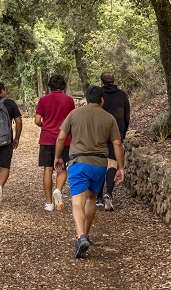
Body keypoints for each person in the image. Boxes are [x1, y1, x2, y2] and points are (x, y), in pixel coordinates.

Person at [54, 85, 124, 258]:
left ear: (86, 98)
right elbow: (117, 144)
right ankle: (86, 234)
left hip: (78, 162)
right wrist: (121, 167)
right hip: (99, 163)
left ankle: (81, 236)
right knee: (92, 198)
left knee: (77, 200)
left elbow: (61, 137)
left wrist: (58, 157)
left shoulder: (74, 114)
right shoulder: (109, 118)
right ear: (102, 100)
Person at [35, 74, 75, 211]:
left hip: (47, 138)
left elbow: (37, 120)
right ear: (63, 85)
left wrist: (45, 125)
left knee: (48, 169)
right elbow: (72, 121)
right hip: (64, 139)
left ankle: (48, 203)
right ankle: (58, 190)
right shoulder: (69, 101)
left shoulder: (43, 100)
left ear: (50, 85)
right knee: (62, 168)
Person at [96, 71, 130, 212]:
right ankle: (108, 193)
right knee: (112, 162)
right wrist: (123, 131)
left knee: (99, 162)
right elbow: (127, 115)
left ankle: (98, 197)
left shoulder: (98, 94)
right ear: (114, 81)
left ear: (101, 82)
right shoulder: (122, 95)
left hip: (100, 131)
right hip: (117, 131)